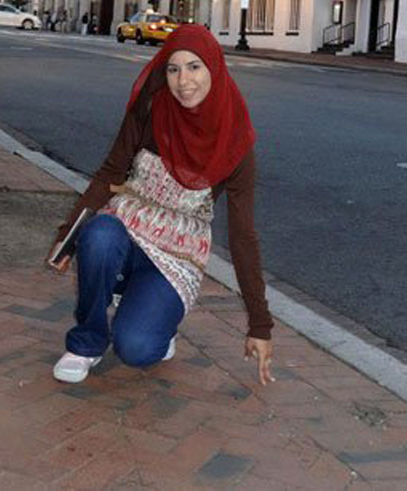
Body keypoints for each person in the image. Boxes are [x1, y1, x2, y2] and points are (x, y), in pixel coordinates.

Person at [50, 24, 275, 386]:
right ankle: (87, 343)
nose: (183, 81)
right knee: (98, 236)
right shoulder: (152, 106)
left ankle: (156, 318)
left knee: (136, 349)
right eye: (173, 69)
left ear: (214, 68)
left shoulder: (235, 141)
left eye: (194, 67)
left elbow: (242, 235)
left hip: (176, 254)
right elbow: (110, 172)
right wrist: (67, 237)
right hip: (126, 227)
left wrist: (260, 325)